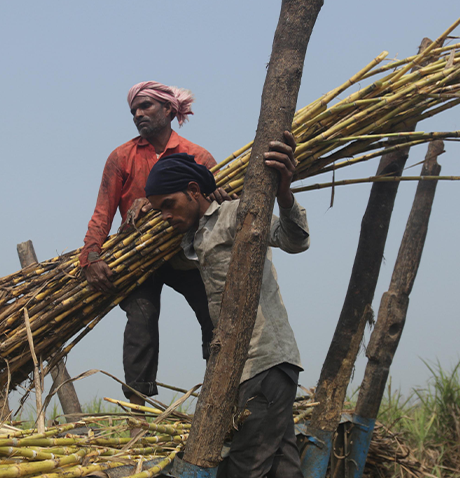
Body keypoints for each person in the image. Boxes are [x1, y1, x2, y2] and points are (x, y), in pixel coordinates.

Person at [145, 132, 307, 478]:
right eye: (159, 209)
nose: (165, 215)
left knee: (246, 466)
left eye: (168, 204)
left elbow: (295, 241)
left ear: (193, 190)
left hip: (264, 360)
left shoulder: (236, 213)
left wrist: (284, 194)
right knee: (282, 465)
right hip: (247, 367)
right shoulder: (193, 238)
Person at [80, 81, 216, 405]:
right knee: (142, 317)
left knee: (214, 312)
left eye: (146, 107)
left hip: (185, 252)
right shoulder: (121, 157)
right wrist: (91, 257)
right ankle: (136, 411)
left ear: (169, 109)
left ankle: (217, 398)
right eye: (134, 110)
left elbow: (214, 208)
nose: (138, 114)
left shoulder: (197, 156)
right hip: (138, 258)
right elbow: (102, 213)